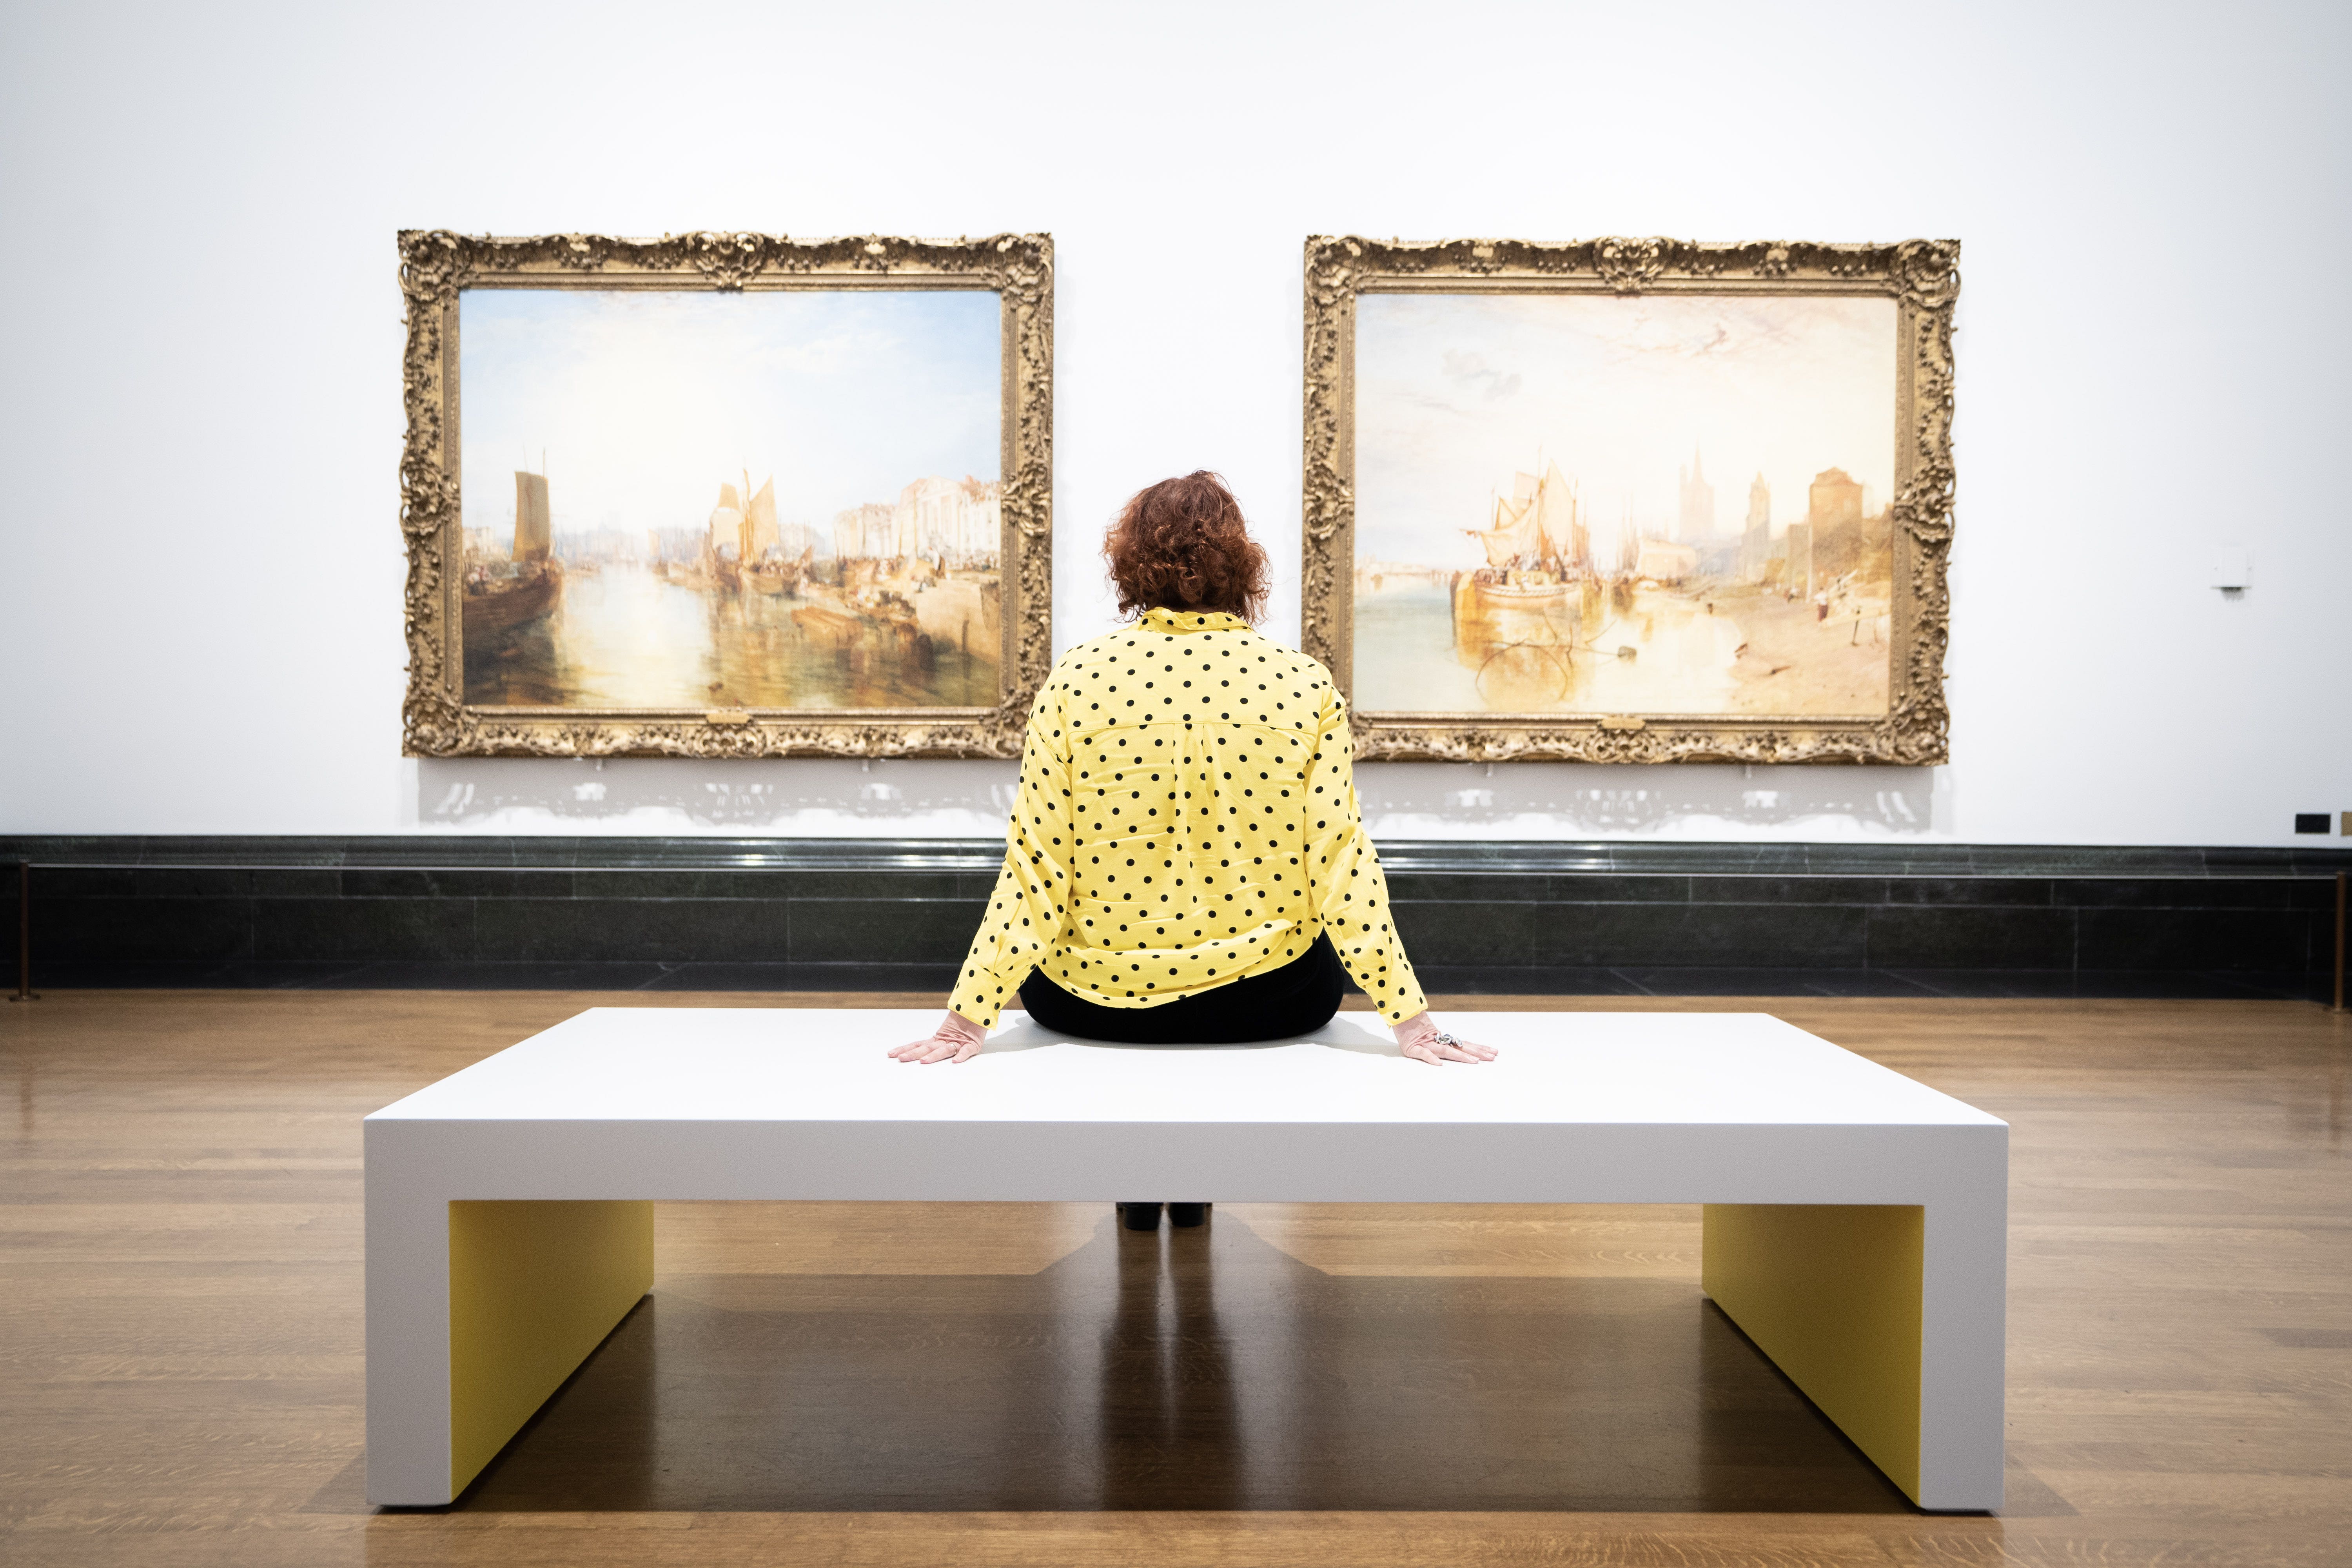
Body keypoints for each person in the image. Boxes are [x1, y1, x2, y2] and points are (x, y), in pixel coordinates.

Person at [890, 471, 1496, 1232]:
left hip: (1094, 1001)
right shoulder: (1303, 685)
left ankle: (1139, 1194)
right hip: (1268, 1001)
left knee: (1071, 965)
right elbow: (1340, 865)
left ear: (1129, 567)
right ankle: (1195, 1188)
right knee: (1304, 952)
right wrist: (1409, 1019)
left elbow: (1036, 869)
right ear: (1243, 568)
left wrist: (967, 1018)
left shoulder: (1077, 680)